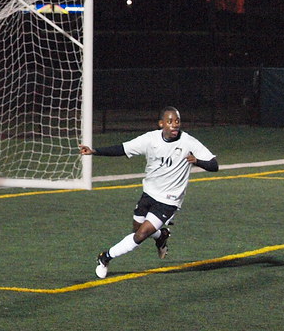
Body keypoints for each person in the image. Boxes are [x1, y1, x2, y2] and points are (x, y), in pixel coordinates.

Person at [80, 107, 218, 278]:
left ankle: (105, 257)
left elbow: (214, 165)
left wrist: (197, 161)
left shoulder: (189, 143)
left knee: (141, 234)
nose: (174, 125)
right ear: (161, 124)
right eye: (170, 121)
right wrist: (95, 151)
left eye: (177, 121)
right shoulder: (150, 139)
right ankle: (161, 235)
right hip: (149, 194)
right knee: (137, 230)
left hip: (169, 200)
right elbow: (123, 149)